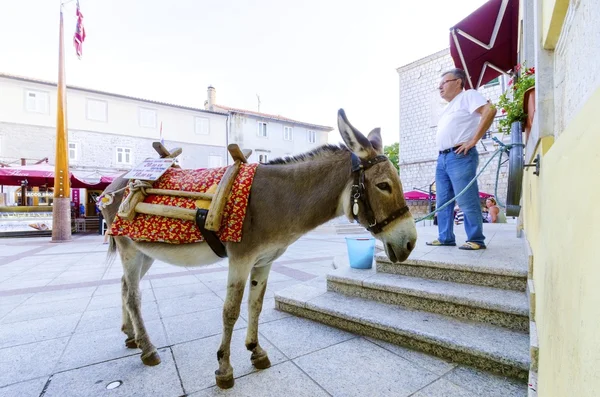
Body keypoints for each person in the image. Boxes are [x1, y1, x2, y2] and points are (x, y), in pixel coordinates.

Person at [426, 68, 497, 250]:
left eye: (444, 83)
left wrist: (474, 140)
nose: (440, 88)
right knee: (442, 201)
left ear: (458, 82)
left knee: (466, 198)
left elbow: (490, 110)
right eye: (439, 85)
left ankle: (475, 239)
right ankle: (445, 237)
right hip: (442, 158)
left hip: (460, 155)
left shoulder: (468, 96)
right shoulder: (447, 108)